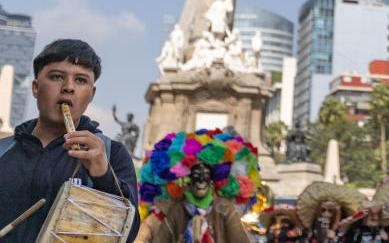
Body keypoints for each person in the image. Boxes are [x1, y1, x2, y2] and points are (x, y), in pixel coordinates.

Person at [0, 39, 139, 243]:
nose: (68, 87)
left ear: (92, 94)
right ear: (36, 87)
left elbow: (128, 234)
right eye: (56, 77)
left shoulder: (112, 153)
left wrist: (104, 177)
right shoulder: (3, 149)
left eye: (81, 80)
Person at [135, 128, 262, 243]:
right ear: (189, 180)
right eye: (196, 175)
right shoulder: (178, 210)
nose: (201, 180)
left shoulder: (224, 208)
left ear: (211, 181)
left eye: (205, 175)